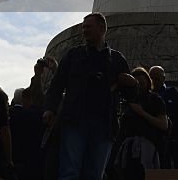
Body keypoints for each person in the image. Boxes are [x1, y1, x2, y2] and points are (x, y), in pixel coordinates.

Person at [44, 12, 133, 180]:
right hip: (74, 122)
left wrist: (132, 84)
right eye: (83, 27)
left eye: (88, 27)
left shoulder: (116, 59)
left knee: (94, 174)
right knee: (69, 171)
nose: (84, 31)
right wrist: (50, 109)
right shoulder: (73, 55)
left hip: (104, 125)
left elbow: (129, 95)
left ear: (102, 28)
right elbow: (57, 84)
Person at [114, 66, 169, 177]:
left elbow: (163, 125)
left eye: (142, 84)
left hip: (147, 147)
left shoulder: (155, 99)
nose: (139, 88)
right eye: (136, 84)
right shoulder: (125, 100)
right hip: (125, 147)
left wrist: (141, 113)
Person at [149, 65, 178, 168]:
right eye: (151, 78)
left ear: (163, 78)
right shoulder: (145, 95)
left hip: (169, 140)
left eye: (157, 78)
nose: (154, 81)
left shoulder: (175, 95)